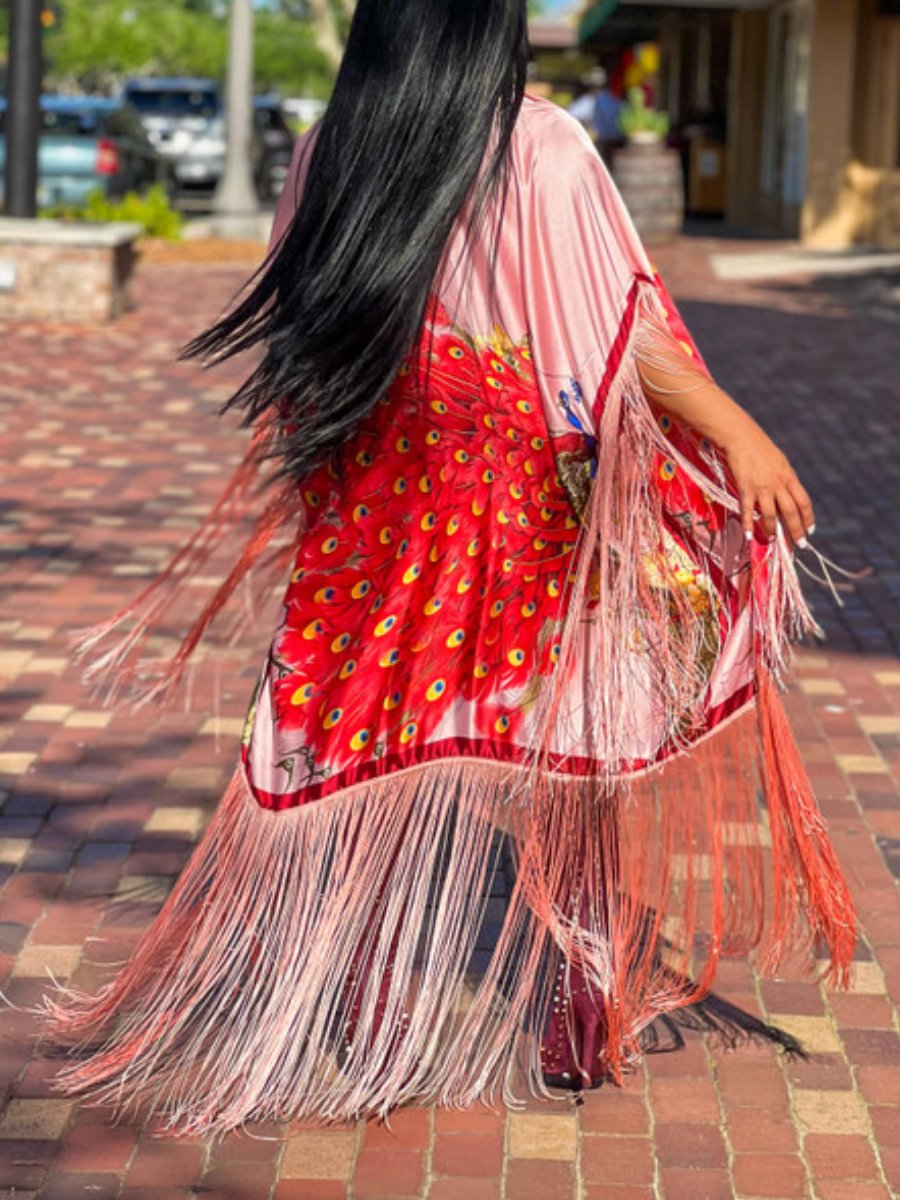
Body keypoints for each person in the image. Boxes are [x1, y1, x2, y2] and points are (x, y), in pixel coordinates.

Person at [42, 0, 856, 1135]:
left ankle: (368, 1005)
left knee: (359, 732)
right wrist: (736, 429)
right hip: (518, 480)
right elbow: (618, 338)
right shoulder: (546, 143)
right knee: (571, 736)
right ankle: (581, 1013)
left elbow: (304, 325)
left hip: (382, 485)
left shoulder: (340, 143)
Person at [569, 65, 623, 164]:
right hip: (608, 144)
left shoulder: (583, 103)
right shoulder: (612, 101)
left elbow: (571, 119)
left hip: (593, 145)